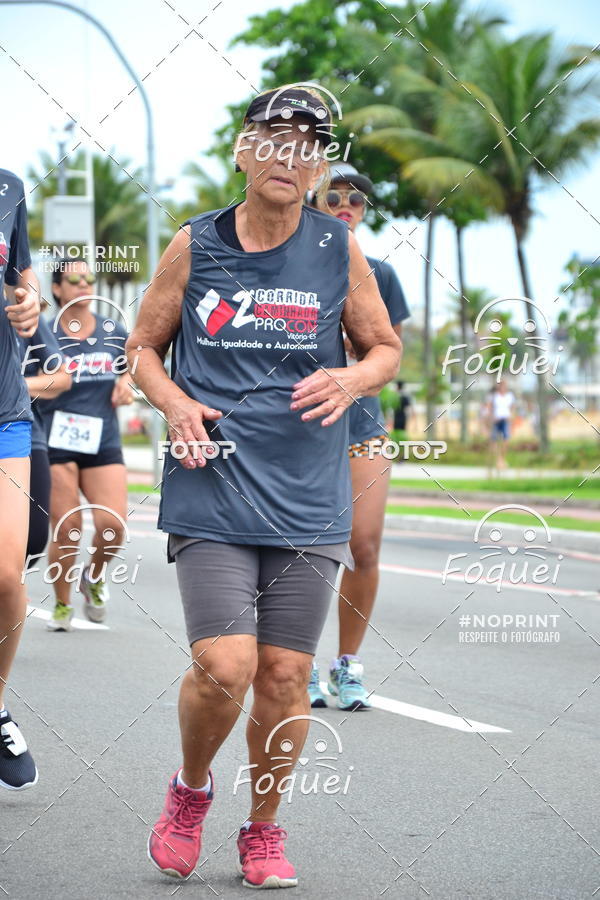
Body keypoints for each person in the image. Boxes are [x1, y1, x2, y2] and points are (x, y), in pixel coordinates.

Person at [127, 86, 401, 889]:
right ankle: (190, 791)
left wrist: (353, 382)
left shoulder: (336, 248)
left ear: (320, 164)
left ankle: (263, 831)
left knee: (285, 676)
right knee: (226, 664)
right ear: (244, 153)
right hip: (213, 486)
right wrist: (175, 401)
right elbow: (142, 349)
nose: (291, 158)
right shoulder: (195, 244)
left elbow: (383, 347)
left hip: (307, 498)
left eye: (308, 146)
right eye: (275, 142)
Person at [308, 163, 409, 710]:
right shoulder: (289, 266)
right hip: (299, 425)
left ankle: (347, 665)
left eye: (357, 200)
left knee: (363, 546)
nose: (346, 205)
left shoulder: (380, 274)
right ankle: (296, 663)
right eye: (334, 196)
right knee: (300, 549)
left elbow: (389, 352)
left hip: (362, 423)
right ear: (313, 202)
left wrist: (359, 363)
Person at [38, 260, 134, 631]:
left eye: (89, 278)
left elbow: (136, 360)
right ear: (58, 288)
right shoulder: (44, 334)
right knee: (68, 528)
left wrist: (126, 381)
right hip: (55, 438)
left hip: (102, 438)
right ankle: (62, 604)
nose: (83, 283)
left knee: (113, 526)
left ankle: (93, 578)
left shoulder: (113, 329)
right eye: (74, 279)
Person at [0, 167, 40, 790]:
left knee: (6, 576)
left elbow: (22, 282)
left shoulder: (8, 186)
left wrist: (30, 301)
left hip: (5, 407)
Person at [19, 310, 72, 571]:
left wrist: (16, 384)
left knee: (34, 539)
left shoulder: (23, 312)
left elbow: (62, 377)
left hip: (26, 432)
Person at [487, 379, 514, 470]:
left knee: (505, 441)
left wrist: (511, 416)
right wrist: (492, 417)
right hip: (496, 420)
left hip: (505, 419)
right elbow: (489, 407)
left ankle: (502, 459)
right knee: (494, 441)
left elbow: (512, 407)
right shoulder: (494, 396)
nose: (503, 387)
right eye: (501, 386)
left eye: (504, 386)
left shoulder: (510, 396)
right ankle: (497, 460)